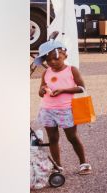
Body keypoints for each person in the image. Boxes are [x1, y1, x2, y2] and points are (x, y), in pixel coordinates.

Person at [33, 39, 91, 175]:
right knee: (53, 139)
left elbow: (82, 88)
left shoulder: (72, 70)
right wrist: (42, 90)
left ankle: (84, 163)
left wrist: (64, 90)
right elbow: (41, 90)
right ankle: (58, 166)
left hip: (65, 110)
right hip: (47, 110)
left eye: (55, 59)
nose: (52, 62)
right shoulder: (46, 72)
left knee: (72, 137)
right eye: (48, 60)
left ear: (65, 55)